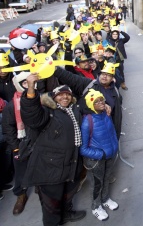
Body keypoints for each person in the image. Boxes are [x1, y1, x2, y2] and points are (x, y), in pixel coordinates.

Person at [21, 78, 86, 226]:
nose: (65, 97)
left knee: (68, 194)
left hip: (71, 163)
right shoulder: (47, 112)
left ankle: (66, 214)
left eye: (68, 94)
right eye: (60, 95)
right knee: (52, 204)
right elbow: (31, 114)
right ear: (53, 97)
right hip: (50, 167)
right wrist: (31, 88)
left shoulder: (74, 110)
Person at [80, 89, 119, 221]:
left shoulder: (105, 114)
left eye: (102, 99)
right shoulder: (87, 122)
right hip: (97, 160)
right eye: (96, 101)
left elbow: (112, 133)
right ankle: (96, 206)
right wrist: (100, 154)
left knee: (106, 178)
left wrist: (115, 148)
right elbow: (83, 148)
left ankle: (105, 198)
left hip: (110, 155)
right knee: (97, 183)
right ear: (91, 105)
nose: (101, 102)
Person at [1, 72, 33, 215]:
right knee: (21, 170)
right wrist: (15, 147)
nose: (29, 85)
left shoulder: (38, 98)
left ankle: (41, 187)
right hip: (21, 142)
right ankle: (21, 194)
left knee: (41, 166)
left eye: (30, 82)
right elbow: (8, 128)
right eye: (25, 83)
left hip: (39, 140)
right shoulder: (11, 106)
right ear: (18, 85)